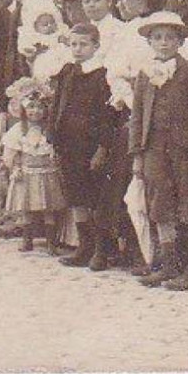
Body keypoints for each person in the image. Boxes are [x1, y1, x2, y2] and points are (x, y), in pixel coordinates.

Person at [130, 11, 188, 291]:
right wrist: (138, 155)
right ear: (150, 42)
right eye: (157, 38)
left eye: (169, 38)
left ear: (179, 41)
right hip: (154, 149)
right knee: (160, 204)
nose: (163, 43)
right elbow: (138, 116)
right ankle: (168, 265)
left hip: (184, 150)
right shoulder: (144, 74)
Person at [49, 22, 116, 269]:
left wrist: (102, 148)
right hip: (68, 145)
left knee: (94, 197)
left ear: (96, 46)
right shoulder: (67, 72)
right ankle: (84, 246)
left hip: (90, 147)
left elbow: (108, 116)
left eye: (83, 44)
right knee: (75, 196)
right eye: (73, 44)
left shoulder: (102, 75)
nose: (77, 49)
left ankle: (101, 249)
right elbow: (58, 105)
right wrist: (52, 138)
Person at [1, 78, 65, 254]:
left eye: (39, 107)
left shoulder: (49, 130)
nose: (35, 111)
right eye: (31, 107)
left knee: (48, 208)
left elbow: (56, 148)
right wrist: (15, 168)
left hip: (46, 173)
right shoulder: (19, 130)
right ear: (23, 109)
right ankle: (27, 239)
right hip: (26, 173)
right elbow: (11, 153)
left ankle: (51, 242)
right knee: (26, 208)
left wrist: (55, 159)